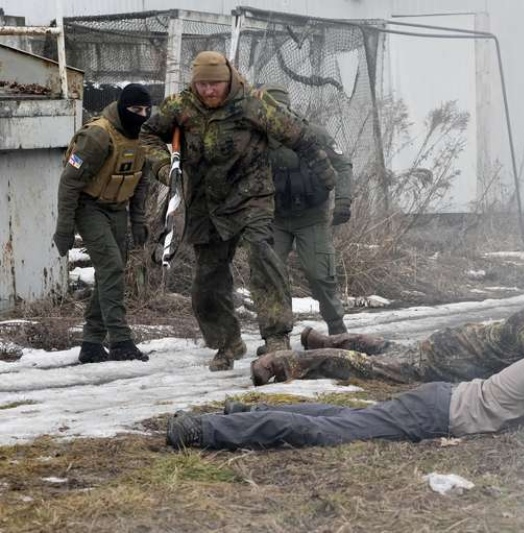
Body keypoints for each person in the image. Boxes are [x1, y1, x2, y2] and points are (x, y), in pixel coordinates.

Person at [166, 296, 524, 450]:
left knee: (338, 416)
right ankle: (204, 429)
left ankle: (242, 412)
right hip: (437, 415)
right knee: (325, 429)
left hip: (442, 400)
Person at [139, 51, 339, 371]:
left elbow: (298, 134)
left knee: (262, 252)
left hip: (251, 194)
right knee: (207, 279)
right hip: (204, 202)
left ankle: (276, 335)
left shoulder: (252, 104)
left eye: (215, 84)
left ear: (228, 79)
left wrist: (323, 169)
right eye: (202, 84)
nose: (208, 91)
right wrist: (165, 167)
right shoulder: (180, 106)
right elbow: (148, 134)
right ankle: (227, 342)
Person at [250, 281, 524, 385]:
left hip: (457, 343)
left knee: (387, 347)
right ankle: (284, 362)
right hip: (453, 358)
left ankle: (321, 339)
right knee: (370, 367)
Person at [52, 83, 152, 364]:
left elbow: (140, 181)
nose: (142, 115)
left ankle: (91, 343)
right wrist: (65, 229)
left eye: (146, 110)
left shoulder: (141, 138)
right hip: (89, 206)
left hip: (117, 208)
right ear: (123, 107)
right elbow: (69, 183)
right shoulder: (97, 136)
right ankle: (120, 340)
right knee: (112, 267)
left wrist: (138, 220)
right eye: (135, 109)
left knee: (112, 273)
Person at [263, 85, 352, 337]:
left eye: (279, 110)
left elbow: (343, 165)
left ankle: (337, 327)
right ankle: (276, 337)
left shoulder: (313, 134)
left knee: (319, 273)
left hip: (311, 217)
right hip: (275, 217)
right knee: (270, 275)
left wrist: (344, 201)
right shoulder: (258, 140)